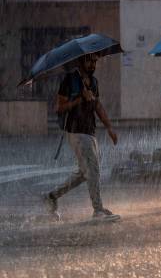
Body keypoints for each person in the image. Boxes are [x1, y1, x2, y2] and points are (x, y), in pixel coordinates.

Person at [42, 54, 121, 222]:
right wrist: (79, 99)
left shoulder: (94, 82)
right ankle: (98, 210)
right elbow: (59, 107)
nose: (93, 64)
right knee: (93, 170)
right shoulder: (70, 80)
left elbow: (97, 105)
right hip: (75, 131)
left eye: (95, 61)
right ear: (81, 61)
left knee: (84, 173)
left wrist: (109, 127)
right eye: (90, 61)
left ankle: (52, 195)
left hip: (89, 130)